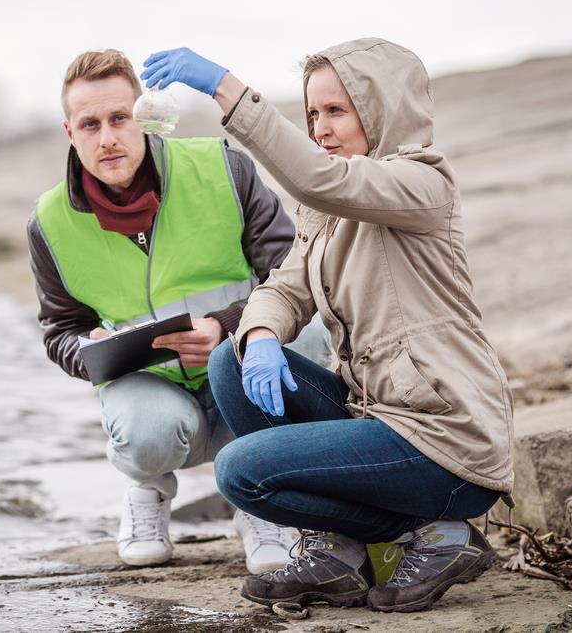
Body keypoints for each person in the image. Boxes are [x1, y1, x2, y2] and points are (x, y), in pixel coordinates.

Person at [140, 40, 514, 612]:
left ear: (382, 108)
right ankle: (337, 554)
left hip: (445, 440)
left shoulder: (421, 184)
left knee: (241, 472)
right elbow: (283, 290)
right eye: (312, 114)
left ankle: (438, 535)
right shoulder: (330, 210)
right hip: (380, 418)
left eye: (336, 111)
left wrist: (225, 87)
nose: (320, 128)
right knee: (231, 359)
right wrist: (261, 335)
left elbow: (319, 179)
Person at [27, 49, 332, 571]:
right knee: (147, 432)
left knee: (307, 338)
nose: (108, 138)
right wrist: (89, 350)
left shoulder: (222, 166)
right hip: (151, 385)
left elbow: (291, 272)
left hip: (237, 363)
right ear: (69, 131)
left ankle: (258, 497)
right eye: (90, 124)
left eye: (120, 118)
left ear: (142, 115)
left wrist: (227, 327)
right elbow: (61, 330)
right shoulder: (48, 222)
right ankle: (146, 490)